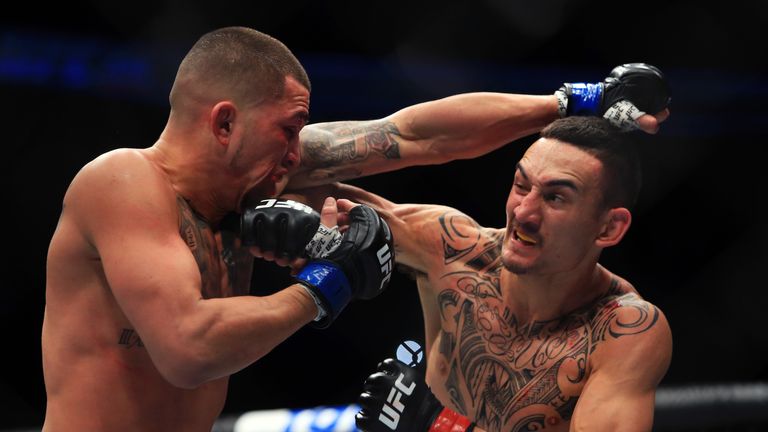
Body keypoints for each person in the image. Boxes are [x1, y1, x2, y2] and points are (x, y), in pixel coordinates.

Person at [42, 22, 667, 431]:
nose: (299, 152)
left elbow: (419, 136)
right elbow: (186, 349)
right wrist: (325, 284)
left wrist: (571, 101)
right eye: (288, 130)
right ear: (225, 122)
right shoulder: (124, 183)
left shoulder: (263, 178)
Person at [318, 116, 672, 432]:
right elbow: (302, 170)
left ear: (609, 227)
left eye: (555, 198)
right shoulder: (452, 247)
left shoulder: (623, 331)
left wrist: (438, 426)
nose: (524, 212)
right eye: (521, 185)